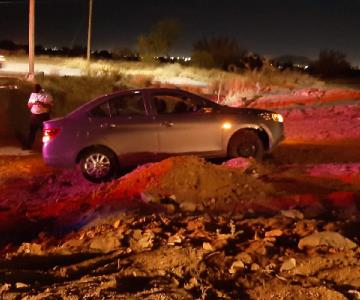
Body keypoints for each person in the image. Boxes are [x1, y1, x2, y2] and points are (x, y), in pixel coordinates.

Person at [23, 83, 53, 150]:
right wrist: (34, 103)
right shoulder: (33, 94)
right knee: (31, 132)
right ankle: (28, 146)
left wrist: (41, 103)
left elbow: (50, 106)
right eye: (34, 91)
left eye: (37, 90)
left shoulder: (47, 95)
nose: (35, 92)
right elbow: (29, 105)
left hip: (43, 116)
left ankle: (47, 148)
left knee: (46, 133)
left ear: (41, 89)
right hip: (34, 116)